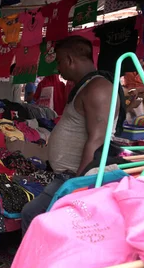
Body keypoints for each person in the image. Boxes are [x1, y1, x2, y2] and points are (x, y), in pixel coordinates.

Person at [21, 36, 120, 233]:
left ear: (69, 59)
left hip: (76, 177)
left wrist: (78, 185)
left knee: (32, 214)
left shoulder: (98, 88)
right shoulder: (86, 86)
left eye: (58, 61)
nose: (58, 68)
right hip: (67, 176)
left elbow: (97, 140)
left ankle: (39, 261)